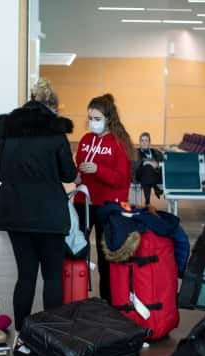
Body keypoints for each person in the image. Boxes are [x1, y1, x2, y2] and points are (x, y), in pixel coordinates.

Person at [0, 78, 77, 331]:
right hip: (49, 213)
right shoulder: (55, 132)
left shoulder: (9, 130)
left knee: (25, 276)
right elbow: (68, 174)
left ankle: (21, 333)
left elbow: (2, 173)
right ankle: (52, 334)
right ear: (51, 106)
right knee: (52, 276)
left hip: (15, 211)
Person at [74, 94, 132, 302]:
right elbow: (79, 164)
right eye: (90, 118)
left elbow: (120, 179)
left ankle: (108, 301)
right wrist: (77, 175)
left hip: (107, 205)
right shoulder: (85, 139)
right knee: (76, 248)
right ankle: (76, 295)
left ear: (109, 118)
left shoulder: (119, 142)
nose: (92, 122)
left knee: (106, 253)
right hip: (84, 202)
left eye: (97, 118)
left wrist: (98, 169)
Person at [135, 132, 164, 206]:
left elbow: (162, 163)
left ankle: (147, 202)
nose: (144, 143)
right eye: (142, 140)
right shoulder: (135, 152)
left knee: (148, 174)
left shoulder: (156, 152)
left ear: (149, 142)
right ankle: (155, 186)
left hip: (153, 175)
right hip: (140, 174)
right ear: (139, 142)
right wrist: (148, 163)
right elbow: (135, 166)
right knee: (147, 168)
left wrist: (157, 164)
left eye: (146, 140)